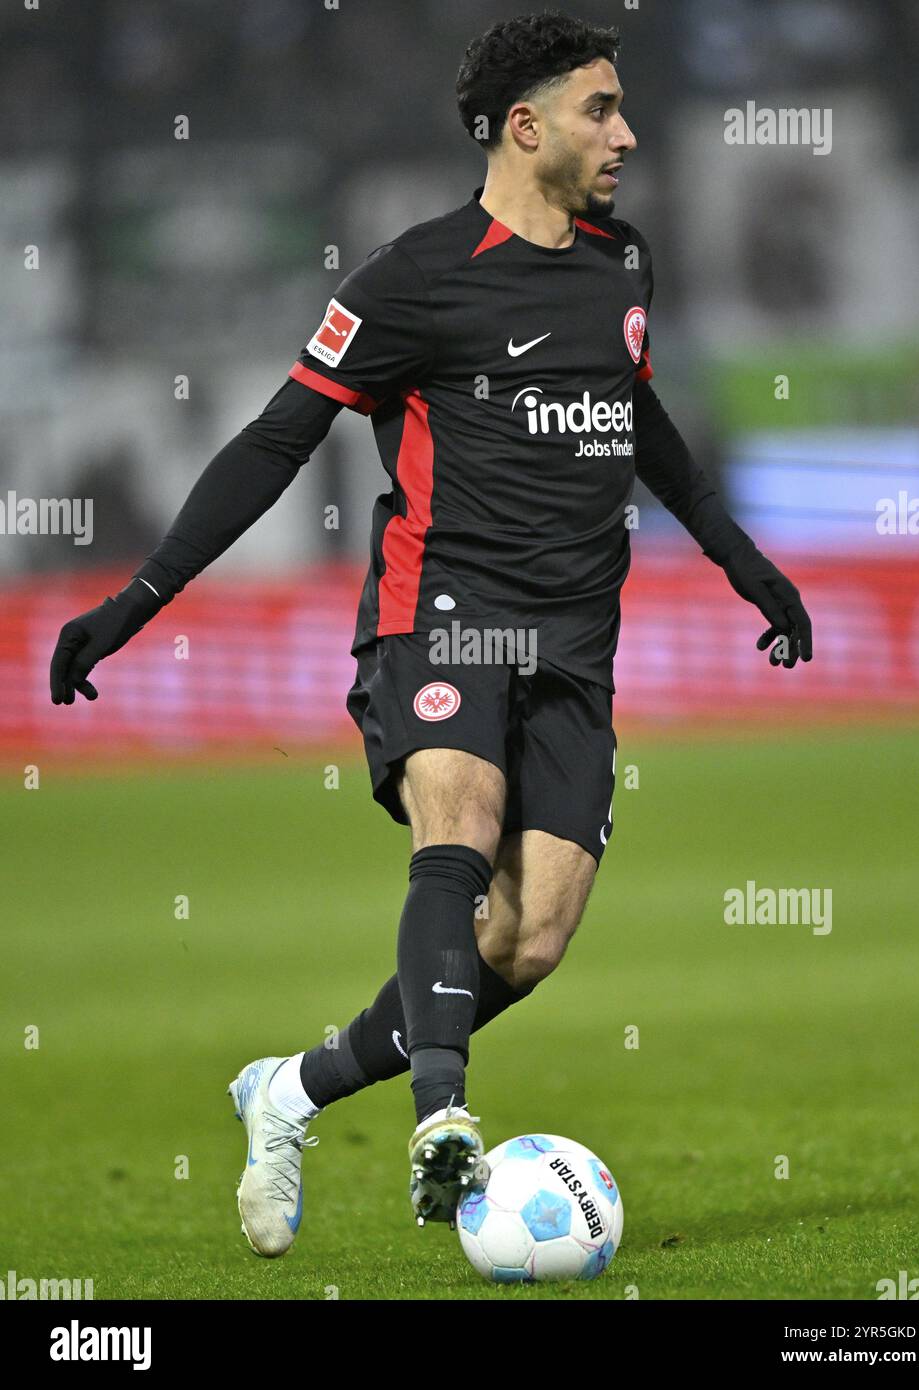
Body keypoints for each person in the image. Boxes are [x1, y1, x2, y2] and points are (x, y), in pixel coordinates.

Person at [49, 11, 811, 1259]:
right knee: (456, 824)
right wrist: (136, 601)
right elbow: (272, 442)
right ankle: (441, 1114)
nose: (624, 133)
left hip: (577, 642)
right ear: (525, 127)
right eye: (600, 110)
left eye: (622, 110)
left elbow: (640, 420)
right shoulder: (415, 277)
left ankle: (287, 1091)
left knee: (532, 934)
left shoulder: (623, 265)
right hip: (440, 615)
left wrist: (741, 559)